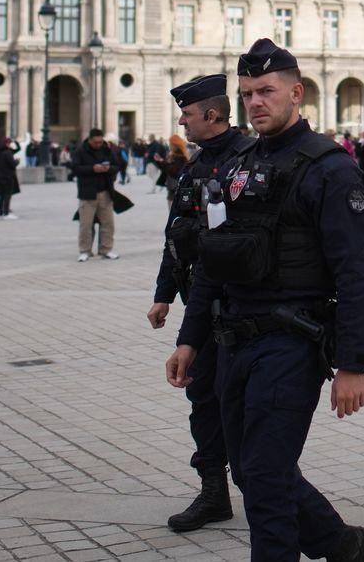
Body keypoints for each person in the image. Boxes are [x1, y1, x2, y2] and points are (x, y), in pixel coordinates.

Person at [166, 39, 364, 562]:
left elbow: (357, 273)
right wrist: (189, 338)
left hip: (292, 342)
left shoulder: (329, 167)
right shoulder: (232, 167)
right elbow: (214, 260)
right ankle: (341, 543)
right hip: (233, 340)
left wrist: (353, 364)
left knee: (262, 475)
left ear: (296, 93)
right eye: (246, 94)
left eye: (266, 91)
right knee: (252, 467)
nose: (255, 102)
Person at [150, 74, 255, 533]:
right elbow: (176, 235)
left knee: (246, 405)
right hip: (199, 303)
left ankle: (265, 488)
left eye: (187, 114)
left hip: (239, 305)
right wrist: (163, 293)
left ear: (211, 115)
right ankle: (214, 491)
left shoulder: (249, 159)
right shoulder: (195, 165)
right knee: (201, 398)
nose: (181, 121)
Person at [74, 128, 122, 262]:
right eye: (96, 142)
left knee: (108, 223)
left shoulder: (107, 150)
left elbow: (116, 166)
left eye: (100, 142)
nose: (98, 145)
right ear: (90, 140)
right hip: (87, 193)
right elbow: (75, 168)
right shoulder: (81, 151)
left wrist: (108, 169)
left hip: (105, 191)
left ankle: (106, 249)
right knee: (86, 224)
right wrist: (92, 168)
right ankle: (85, 251)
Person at [0, 136, 20, 218]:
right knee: (7, 195)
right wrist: (17, 161)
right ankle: (6, 212)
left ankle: (0, 211)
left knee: (2, 195)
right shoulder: (7, 152)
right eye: (9, 143)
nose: (10, 144)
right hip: (8, 176)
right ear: (6, 144)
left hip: (0, 176)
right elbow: (12, 164)